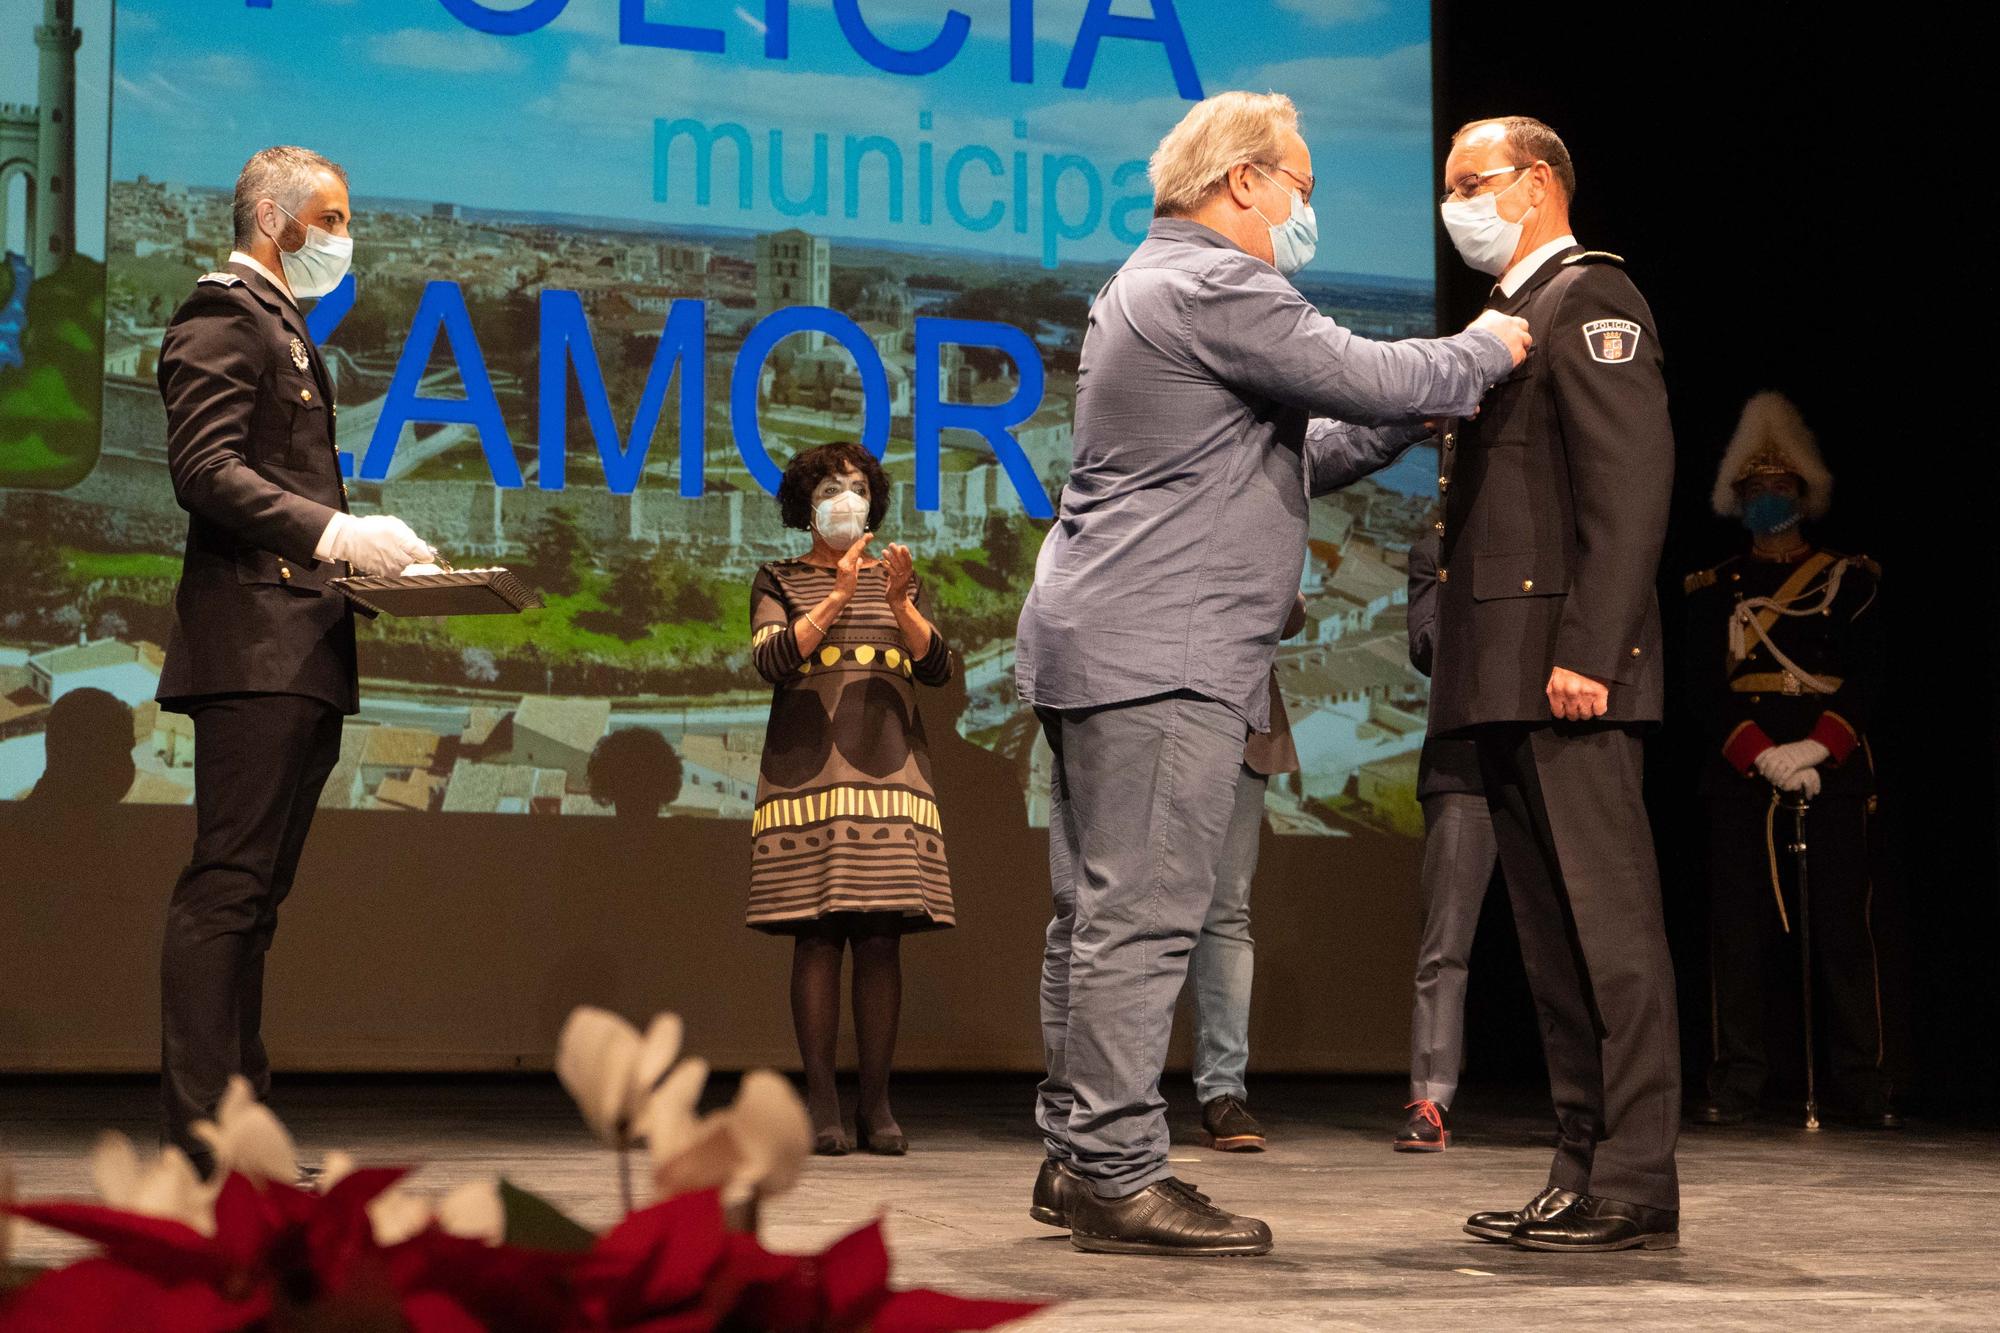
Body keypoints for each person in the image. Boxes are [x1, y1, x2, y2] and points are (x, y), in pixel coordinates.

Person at [1018, 90, 1530, 1258]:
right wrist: (1486, 350)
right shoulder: (1216, 282)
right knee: (1139, 923)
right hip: (1162, 651)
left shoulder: (1146, 282)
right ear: (1241, 180)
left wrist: (1413, 415)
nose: (1308, 205)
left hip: (1104, 639)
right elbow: (1361, 373)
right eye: (1301, 181)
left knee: (1092, 920)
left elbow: (1306, 445)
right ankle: (1114, 1172)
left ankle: (1073, 1159)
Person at [157, 146, 437, 1174]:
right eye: (332, 217)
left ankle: (243, 1133)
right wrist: (334, 534)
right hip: (255, 642)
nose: (343, 236)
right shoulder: (225, 314)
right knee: (226, 891)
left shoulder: (282, 323)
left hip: (301, 639)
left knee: (254, 901)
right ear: (274, 219)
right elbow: (204, 469)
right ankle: (207, 1146)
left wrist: (368, 562)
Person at [1430, 116, 1681, 1252]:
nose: (1453, 206)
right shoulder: (1513, 315)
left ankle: (1633, 1176)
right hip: (1504, 671)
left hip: (1567, 671)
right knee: (1551, 942)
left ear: (1534, 186)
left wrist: (1590, 647)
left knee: (1610, 934)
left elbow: (1628, 490)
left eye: (1468, 183)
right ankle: (1578, 1164)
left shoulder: (1589, 301)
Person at [1683, 392, 1896, 1129]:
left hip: (1829, 771)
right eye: (1753, 490)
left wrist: (1817, 747)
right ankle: (1739, 1077)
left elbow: (1871, 678)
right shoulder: (1713, 591)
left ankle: (1862, 1080)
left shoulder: (1851, 580)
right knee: (1736, 934)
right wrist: (1763, 754)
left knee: (1843, 932)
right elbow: (1705, 690)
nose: (1766, 499)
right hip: (1746, 773)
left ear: (1803, 496)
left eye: (1778, 488)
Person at [747, 442, 955, 1158]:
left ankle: (878, 1104)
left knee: (879, 938)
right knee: (818, 934)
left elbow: (937, 665)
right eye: (833, 487)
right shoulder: (777, 578)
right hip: (808, 781)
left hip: (890, 783)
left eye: (859, 487)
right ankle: (823, 1105)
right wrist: (835, 594)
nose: (847, 498)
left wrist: (897, 603)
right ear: (806, 502)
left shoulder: (897, 580)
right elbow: (771, 658)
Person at [1189, 594, 1306, 1155]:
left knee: (1227, 912)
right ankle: (1118, 1091)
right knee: (1134, 911)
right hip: (1157, 713)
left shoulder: (1260, 513)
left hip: (1241, 721)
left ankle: (1223, 1092)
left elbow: (1292, 610)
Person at [1396, 531, 1499, 1152]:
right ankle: (1430, 1100)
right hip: (1463, 763)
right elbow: (1428, 645)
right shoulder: (1437, 547)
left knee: (1577, 936)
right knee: (1446, 945)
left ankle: (1595, 1097)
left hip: (1551, 755)